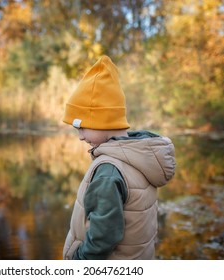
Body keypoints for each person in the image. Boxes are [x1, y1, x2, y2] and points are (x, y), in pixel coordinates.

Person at [62, 55, 176, 260]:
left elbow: (102, 237)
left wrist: (80, 260)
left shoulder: (109, 171)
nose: (80, 137)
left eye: (81, 127)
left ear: (101, 120)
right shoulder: (140, 156)